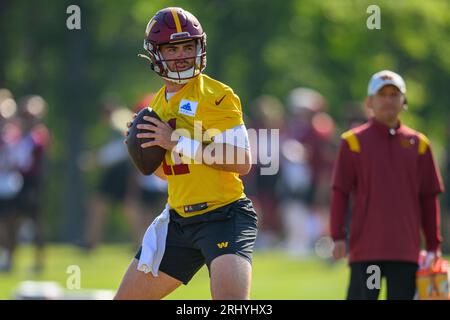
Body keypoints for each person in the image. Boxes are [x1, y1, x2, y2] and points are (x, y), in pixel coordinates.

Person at [115, 7, 257, 300]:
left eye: (187, 46)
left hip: (223, 215)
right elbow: (169, 172)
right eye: (172, 48)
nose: (181, 54)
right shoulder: (157, 103)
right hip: (178, 220)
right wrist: (142, 146)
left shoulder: (217, 95)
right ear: (156, 54)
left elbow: (242, 161)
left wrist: (175, 140)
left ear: (199, 48)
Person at [330, 70, 444, 300]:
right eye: (382, 95)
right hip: (367, 250)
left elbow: (429, 197)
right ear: (369, 102)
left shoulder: (419, 145)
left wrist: (433, 245)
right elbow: (340, 192)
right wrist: (338, 236)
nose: (388, 100)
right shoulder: (353, 142)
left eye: (394, 94)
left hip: (405, 251)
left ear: (404, 102)